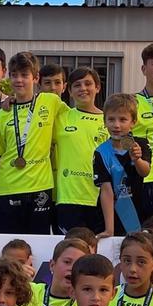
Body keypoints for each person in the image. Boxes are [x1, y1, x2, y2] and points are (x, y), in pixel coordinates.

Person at [0, 51, 66, 234]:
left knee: (37, 243)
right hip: (8, 186)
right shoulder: (2, 114)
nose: (19, 80)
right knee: (9, 246)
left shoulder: (51, 101)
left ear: (35, 78)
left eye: (24, 75)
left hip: (40, 187)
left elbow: (74, 115)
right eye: (14, 75)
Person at [54, 68, 109, 234]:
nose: (83, 88)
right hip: (68, 198)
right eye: (77, 85)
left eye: (88, 83)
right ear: (69, 91)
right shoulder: (61, 116)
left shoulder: (110, 121)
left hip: (100, 198)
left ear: (97, 87)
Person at [94, 93, 152, 236]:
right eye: (111, 119)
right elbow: (106, 190)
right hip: (112, 215)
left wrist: (137, 159)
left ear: (133, 122)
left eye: (123, 119)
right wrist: (109, 230)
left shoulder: (141, 144)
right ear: (105, 121)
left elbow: (145, 172)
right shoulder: (100, 152)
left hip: (139, 212)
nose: (116, 125)